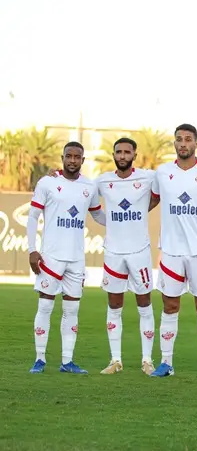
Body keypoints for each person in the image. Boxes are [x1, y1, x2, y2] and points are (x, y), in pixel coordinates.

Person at [149, 123, 197, 379]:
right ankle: (166, 363)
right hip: (170, 251)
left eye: (188, 139)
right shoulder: (162, 173)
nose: (183, 143)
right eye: (179, 139)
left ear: (196, 143)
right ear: (175, 143)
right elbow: (149, 200)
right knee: (170, 305)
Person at [27, 141, 106, 374]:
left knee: (72, 310)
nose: (72, 160)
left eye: (77, 157)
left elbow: (98, 216)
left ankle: (67, 361)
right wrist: (32, 249)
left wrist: (125, 219)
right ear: (62, 157)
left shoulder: (88, 187)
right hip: (51, 257)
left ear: (83, 160)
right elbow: (32, 217)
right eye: (68, 156)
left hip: (76, 259)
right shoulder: (48, 183)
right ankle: (40, 359)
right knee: (45, 306)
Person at [95, 138, 159, 375]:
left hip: (140, 251)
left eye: (127, 152)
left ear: (134, 154)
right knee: (114, 305)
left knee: (144, 304)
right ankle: (115, 360)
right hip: (113, 252)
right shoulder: (102, 181)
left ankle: (147, 360)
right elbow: (90, 204)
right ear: (113, 154)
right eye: (118, 152)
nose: (122, 156)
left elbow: (171, 183)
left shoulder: (148, 177)